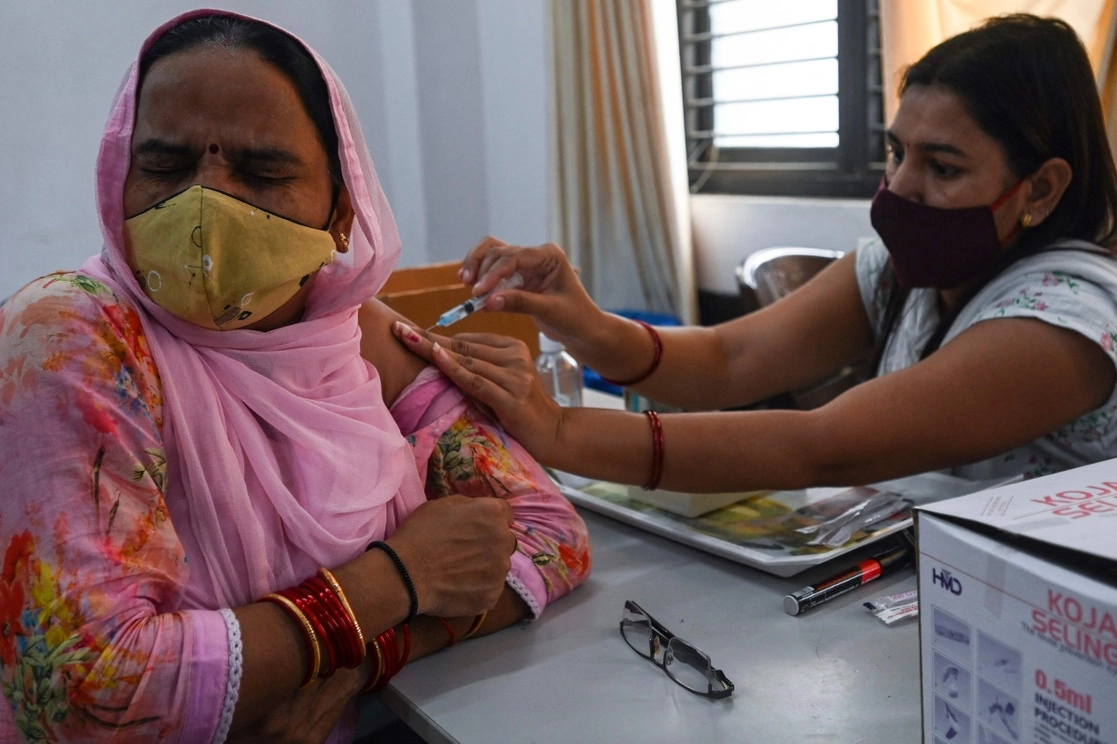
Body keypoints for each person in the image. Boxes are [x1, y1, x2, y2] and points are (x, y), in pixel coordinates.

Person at [0, 10, 590, 743]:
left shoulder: (355, 335)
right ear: (117, 178)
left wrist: (364, 657)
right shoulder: (68, 336)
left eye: (261, 171)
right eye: (164, 165)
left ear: (341, 211)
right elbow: (90, 694)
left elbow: (546, 531)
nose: (204, 207)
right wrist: (395, 583)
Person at [393, 14, 1117, 494]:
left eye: (943, 166)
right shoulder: (901, 274)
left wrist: (558, 431)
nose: (899, 187)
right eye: (896, 152)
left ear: (1041, 189)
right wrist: (580, 320)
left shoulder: (1062, 322)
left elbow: (824, 447)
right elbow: (727, 361)